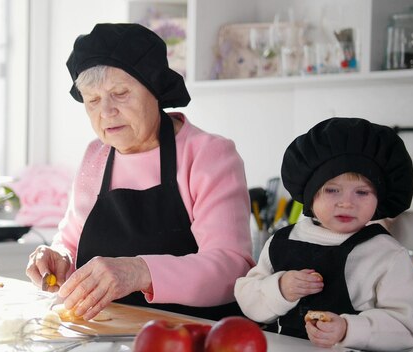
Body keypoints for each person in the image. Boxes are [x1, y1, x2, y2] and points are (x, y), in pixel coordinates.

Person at [26, 23, 254, 321]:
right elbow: (70, 243)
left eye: (120, 93)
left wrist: (139, 272)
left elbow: (232, 269)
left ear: (154, 90)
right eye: (92, 100)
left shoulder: (208, 155)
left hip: (190, 335)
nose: (106, 111)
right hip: (108, 334)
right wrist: (57, 259)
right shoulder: (95, 156)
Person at [234, 117, 413, 351]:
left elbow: (405, 331)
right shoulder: (282, 241)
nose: (346, 203)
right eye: (332, 190)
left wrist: (347, 329)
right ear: (310, 195)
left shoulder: (387, 255)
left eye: (362, 192)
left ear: (379, 199)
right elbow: (248, 301)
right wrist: (280, 288)